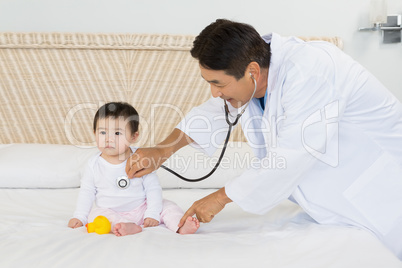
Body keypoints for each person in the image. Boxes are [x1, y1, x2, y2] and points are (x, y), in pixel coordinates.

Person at [125, 19, 402, 259]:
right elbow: (213, 112)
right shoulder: (251, 80)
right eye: (208, 82)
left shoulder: (311, 71)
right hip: (338, 202)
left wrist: (222, 197)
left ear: (253, 72)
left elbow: (292, 154)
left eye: (218, 84)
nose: (213, 92)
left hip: (385, 190)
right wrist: (163, 149)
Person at [68, 102, 199, 236]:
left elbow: (152, 188)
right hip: (111, 211)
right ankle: (124, 225)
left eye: (117, 133)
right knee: (96, 216)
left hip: (143, 208)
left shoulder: (141, 157)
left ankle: (180, 225)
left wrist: (152, 213)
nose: (109, 139)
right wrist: (80, 216)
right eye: (102, 132)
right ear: (95, 133)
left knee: (169, 206)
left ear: (133, 136)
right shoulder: (93, 164)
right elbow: (87, 192)